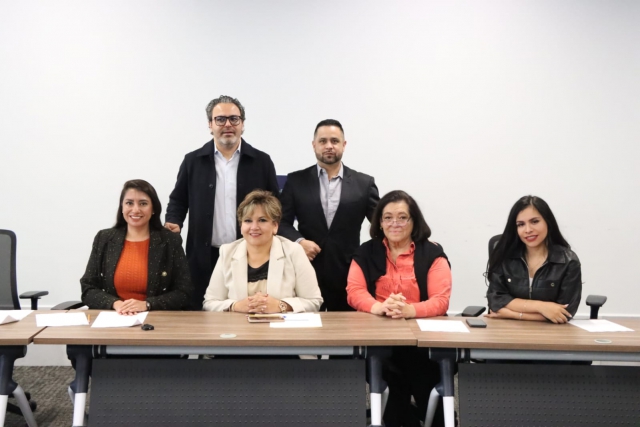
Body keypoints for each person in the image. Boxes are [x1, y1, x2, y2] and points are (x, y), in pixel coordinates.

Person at [346, 190, 451, 427]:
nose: (395, 223)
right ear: (379, 223)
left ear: (414, 222)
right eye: (388, 218)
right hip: (380, 338)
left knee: (426, 387)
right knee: (391, 392)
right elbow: (354, 291)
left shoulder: (432, 253)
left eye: (402, 217)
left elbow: (440, 300)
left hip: (423, 341)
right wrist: (379, 307)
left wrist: (408, 310)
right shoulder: (365, 252)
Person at [165, 95, 279, 309]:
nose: (228, 124)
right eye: (220, 119)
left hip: (250, 253)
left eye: (234, 119)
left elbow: (275, 206)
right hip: (203, 255)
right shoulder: (192, 161)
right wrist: (174, 222)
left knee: (246, 309)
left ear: (242, 124)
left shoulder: (261, 161)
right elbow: (178, 201)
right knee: (202, 311)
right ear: (210, 124)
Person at [278, 119, 379, 311]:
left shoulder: (364, 183)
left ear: (344, 144)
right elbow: (281, 223)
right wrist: (299, 242)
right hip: (305, 269)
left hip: (349, 271)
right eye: (323, 141)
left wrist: (417, 239)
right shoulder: (296, 181)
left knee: (346, 327)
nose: (329, 146)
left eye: (334, 141)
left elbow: (382, 224)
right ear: (314, 145)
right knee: (306, 326)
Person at [80, 179, 193, 313]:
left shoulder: (170, 241)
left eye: (143, 203)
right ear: (122, 207)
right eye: (129, 203)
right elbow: (88, 288)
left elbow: (184, 292)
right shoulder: (104, 238)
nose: (135, 209)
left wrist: (148, 304)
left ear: (153, 209)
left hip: (155, 318)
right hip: (115, 316)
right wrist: (115, 304)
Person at [203, 190, 323, 313]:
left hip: (281, 325)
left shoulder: (294, 251)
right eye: (248, 220)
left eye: (262, 220)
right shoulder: (227, 252)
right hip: (239, 325)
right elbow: (210, 302)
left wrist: (280, 306)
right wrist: (236, 306)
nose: (254, 227)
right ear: (241, 227)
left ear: (275, 226)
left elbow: (313, 301)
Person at [485, 195, 582, 323]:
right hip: (507, 329)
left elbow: (565, 313)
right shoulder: (504, 256)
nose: (528, 230)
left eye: (535, 221)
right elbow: (496, 299)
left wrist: (509, 313)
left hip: (551, 332)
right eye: (521, 224)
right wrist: (541, 307)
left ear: (548, 222)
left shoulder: (568, 261)